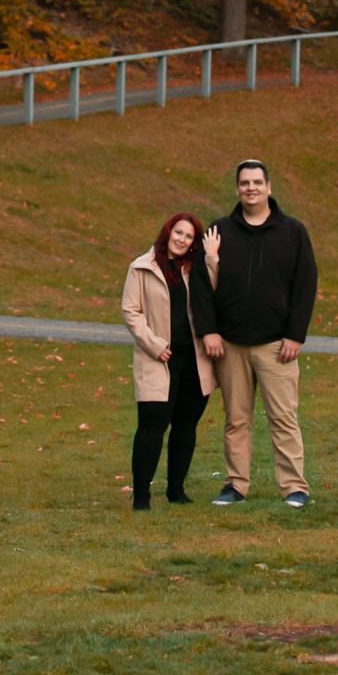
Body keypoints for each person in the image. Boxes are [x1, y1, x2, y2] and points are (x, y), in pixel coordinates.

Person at [190, 158, 318, 509]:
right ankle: (235, 485)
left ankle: (294, 487)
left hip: (277, 346)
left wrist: (295, 335)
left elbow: (306, 285)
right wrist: (209, 332)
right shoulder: (219, 231)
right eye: (244, 183)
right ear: (237, 189)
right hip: (230, 345)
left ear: (268, 187)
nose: (251, 188)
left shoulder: (293, 232)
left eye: (257, 182)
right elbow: (202, 286)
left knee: (284, 418)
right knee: (236, 419)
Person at [121, 213, 219, 510]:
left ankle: (176, 490)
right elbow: (131, 311)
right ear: (168, 232)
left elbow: (216, 295)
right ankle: (141, 495)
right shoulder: (141, 267)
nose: (182, 239)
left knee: (186, 427)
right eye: (178, 232)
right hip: (158, 359)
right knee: (152, 426)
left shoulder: (197, 269)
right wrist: (154, 345)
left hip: (195, 361)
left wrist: (212, 258)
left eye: (189, 237)